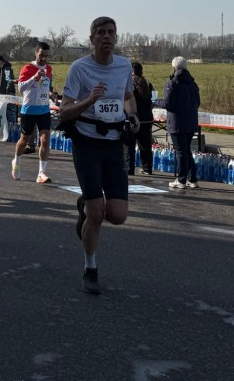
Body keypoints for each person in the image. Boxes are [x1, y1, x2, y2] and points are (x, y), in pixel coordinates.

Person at [58, 16, 140, 295]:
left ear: (116, 38)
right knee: (97, 213)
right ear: (91, 39)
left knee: (117, 215)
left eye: (111, 33)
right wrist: (89, 100)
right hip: (86, 144)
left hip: (114, 144)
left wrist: (133, 115)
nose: (107, 37)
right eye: (101, 33)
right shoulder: (79, 68)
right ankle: (90, 268)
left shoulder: (124, 66)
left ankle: (84, 206)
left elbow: (128, 97)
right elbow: (64, 111)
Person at [12, 42, 54, 182]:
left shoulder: (49, 68)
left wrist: (51, 94)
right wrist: (34, 77)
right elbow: (21, 88)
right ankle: (16, 162)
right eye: (41, 55)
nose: (43, 59)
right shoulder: (28, 68)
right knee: (24, 140)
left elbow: (46, 86)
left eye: (46, 56)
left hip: (44, 110)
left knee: (45, 140)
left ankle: (41, 173)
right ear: (36, 53)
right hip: (29, 110)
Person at [164, 56, 201, 190]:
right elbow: (197, 102)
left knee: (180, 151)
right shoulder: (193, 83)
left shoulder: (172, 83)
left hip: (177, 121)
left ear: (174, 67)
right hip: (190, 121)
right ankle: (192, 179)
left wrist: (156, 102)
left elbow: (168, 103)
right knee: (186, 150)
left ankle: (181, 180)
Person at [125, 61, 155, 176]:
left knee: (129, 145)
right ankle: (147, 168)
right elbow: (153, 99)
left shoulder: (129, 84)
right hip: (147, 119)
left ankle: (129, 169)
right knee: (145, 145)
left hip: (132, 118)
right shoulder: (147, 83)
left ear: (132, 71)